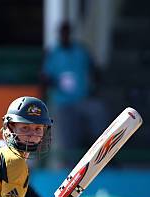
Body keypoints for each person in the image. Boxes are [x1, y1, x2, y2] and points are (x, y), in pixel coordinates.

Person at [41, 21, 107, 167]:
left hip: (83, 100)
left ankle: (105, 159)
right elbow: (45, 78)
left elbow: (95, 70)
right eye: (62, 33)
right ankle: (71, 171)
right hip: (64, 103)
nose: (65, 36)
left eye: (67, 32)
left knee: (98, 117)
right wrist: (55, 84)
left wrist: (94, 89)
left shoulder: (81, 51)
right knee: (69, 141)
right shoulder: (53, 53)